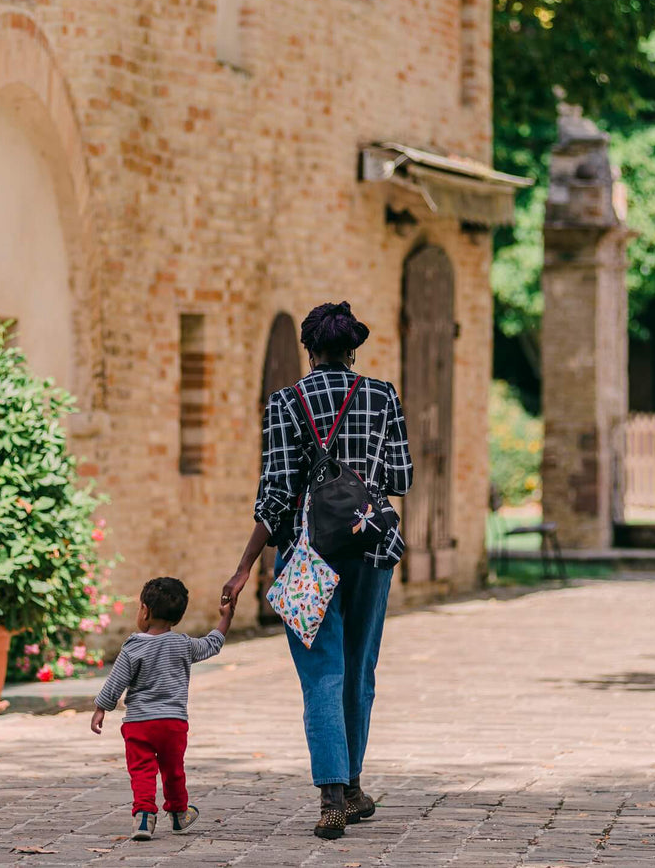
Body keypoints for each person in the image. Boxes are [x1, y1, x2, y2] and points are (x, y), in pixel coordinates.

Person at [221, 301, 413, 840]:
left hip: (307, 555)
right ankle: (352, 787)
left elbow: (276, 493)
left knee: (321, 672)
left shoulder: (286, 402)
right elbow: (401, 475)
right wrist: (359, 480)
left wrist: (243, 570)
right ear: (353, 349)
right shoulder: (383, 396)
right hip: (371, 549)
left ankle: (331, 797)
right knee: (360, 666)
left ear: (309, 349)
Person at [91, 577, 234, 841]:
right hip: (173, 723)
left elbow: (116, 682)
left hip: (139, 724)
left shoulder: (133, 647)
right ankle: (179, 815)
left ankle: (144, 816)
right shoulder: (183, 644)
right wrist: (226, 617)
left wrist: (102, 708)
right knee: (173, 770)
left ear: (144, 611)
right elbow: (213, 643)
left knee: (142, 770)